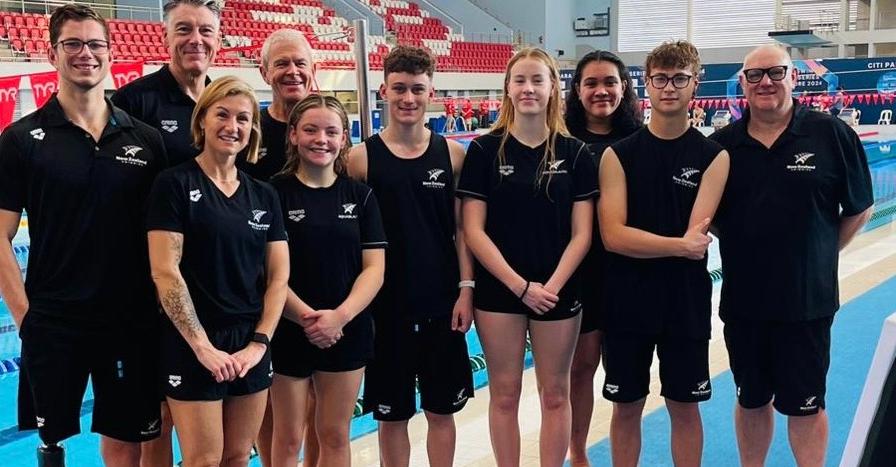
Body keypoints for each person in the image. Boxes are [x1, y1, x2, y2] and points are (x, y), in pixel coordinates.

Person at [0, 5, 167, 466]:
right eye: (72, 44)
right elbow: (0, 235)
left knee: (127, 439)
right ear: (53, 53)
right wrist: (25, 317)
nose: (85, 54)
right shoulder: (21, 139)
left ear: (110, 53)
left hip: (129, 317)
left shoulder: (146, 140)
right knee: (50, 441)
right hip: (54, 318)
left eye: (95, 44)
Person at [709, 44, 873, 467]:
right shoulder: (722, 146)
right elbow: (703, 215)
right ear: (743, 85)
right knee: (750, 400)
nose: (766, 81)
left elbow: (860, 206)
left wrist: (820, 249)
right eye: (755, 75)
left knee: (806, 404)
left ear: (793, 77)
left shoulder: (831, 134)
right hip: (745, 302)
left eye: (776, 72)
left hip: (807, 302)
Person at [458, 47, 597, 467]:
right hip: (500, 291)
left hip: (557, 291)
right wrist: (520, 287)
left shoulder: (575, 153)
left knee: (555, 393)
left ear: (553, 88)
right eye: (520, 80)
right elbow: (473, 230)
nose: (529, 88)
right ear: (508, 89)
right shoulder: (484, 151)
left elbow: (583, 234)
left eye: (538, 79)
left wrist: (549, 288)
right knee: (504, 393)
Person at [598, 40, 729, 467]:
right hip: (626, 300)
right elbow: (614, 236)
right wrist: (677, 245)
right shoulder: (618, 155)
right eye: (660, 79)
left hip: (684, 303)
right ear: (647, 85)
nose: (668, 88)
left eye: (679, 79)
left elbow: (698, 241)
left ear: (695, 85)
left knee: (684, 407)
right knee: (626, 406)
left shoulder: (714, 156)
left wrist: (667, 246)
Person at [146, 76, 289, 467]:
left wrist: (259, 343)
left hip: (248, 340)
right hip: (191, 339)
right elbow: (165, 271)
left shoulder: (264, 194)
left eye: (243, 118)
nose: (233, 126)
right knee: (204, 459)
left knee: (238, 456)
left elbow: (278, 278)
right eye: (222, 115)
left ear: (252, 131)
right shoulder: (173, 184)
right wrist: (202, 347)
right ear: (202, 121)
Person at [347, 45, 474, 467]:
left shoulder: (452, 155)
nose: (408, 98)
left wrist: (465, 290)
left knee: (442, 411)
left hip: (441, 303)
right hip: (385, 309)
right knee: (392, 416)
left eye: (417, 89)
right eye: (399, 88)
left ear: (431, 92)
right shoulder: (361, 158)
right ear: (384, 89)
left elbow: (462, 230)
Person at [268, 95, 386, 467]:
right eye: (311, 130)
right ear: (292, 135)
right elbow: (267, 272)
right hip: (287, 329)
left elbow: (374, 269)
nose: (321, 139)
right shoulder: (272, 194)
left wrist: (339, 317)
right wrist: (308, 319)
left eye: (331, 131)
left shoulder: (360, 195)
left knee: (335, 434)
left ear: (343, 139)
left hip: (346, 330)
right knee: (287, 438)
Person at [562, 49, 642, 467]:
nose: (601, 91)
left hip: (629, 273)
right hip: (582, 273)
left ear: (623, 87)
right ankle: (578, 453)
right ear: (577, 90)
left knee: (626, 374)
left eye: (609, 82)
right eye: (591, 83)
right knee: (582, 368)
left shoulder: (639, 141)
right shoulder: (561, 141)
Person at [112, 0, 222, 168]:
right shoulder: (131, 101)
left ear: (218, 41)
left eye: (206, 31)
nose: (196, 39)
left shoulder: (223, 103)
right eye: (184, 29)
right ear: (165, 38)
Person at [238, 28, 316, 181]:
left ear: (313, 71)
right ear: (264, 73)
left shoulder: (330, 129)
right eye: (282, 64)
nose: (293, 71)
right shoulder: (248, 129)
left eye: (300, 63)